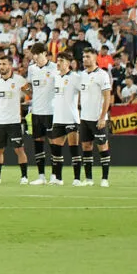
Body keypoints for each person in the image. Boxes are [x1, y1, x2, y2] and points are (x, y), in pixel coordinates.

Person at [0, 55, 30, 185]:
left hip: (14, 122)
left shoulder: (19, 80)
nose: (1, 67)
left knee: (19, 149)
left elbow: (29, 92)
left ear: (10, 66)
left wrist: (26, 94)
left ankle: (24, 177)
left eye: (4, 64)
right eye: (0, 64)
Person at [78, 46, 113, 187]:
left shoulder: (102, 75)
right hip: (85, 118)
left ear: (95, 58)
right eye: (84, 57)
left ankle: (105, 179)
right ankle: (89, 179)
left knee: (102, 147)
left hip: (98, 118)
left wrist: (102, 117)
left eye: (88, 56)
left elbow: (107, 97)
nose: (85, 59)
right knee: (86, 146)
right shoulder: (82, 75)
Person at [49, 52, 85, 185]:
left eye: (61, 60)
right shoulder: (56, 77)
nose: (58, 63)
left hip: (71, 118)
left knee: (73, 149)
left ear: (69, 63)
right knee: (56, 151)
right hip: (58, 119)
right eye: (57, 60)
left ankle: (77, 179)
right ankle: (58, 178)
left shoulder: (76, 77)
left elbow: (85, 91)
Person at [25, 43, 56, 184]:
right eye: (33, 54)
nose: (35, 57)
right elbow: (30, 88)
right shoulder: (31, 69)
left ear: (45, 53)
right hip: (36, 111)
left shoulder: (54, 68)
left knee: (53, 143)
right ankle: (41, 176)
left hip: (51, 111)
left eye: (37, 54)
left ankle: (55, 175)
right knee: (38, 143)